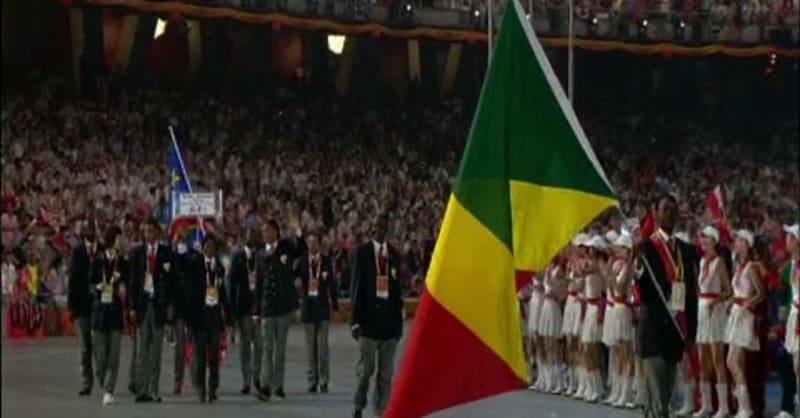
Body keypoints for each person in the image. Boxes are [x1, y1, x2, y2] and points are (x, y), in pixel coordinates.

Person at [636, 194, 699, 418]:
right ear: (656, 212)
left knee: (666, 396)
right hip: (653, 330)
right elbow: (642, 290)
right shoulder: (646, 247)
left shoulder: (685, 249)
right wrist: (636, 263)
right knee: (657, 401)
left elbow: (691, 294)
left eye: (674, 210)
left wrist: (691, 331)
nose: (670, 214)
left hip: (675, 332)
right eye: (666, 209)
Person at [350, 215, 404, 418]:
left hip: (389, 323)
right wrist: (355, 321)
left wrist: (399, 323)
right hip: (367, 323)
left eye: (382, 228)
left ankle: (382, 410)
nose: (378, 231)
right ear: (371, 230)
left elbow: (397, 290)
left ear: (387, 230)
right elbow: (356, 287)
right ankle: (358, 403)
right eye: (375, 227)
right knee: (366, 369)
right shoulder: (361, 253)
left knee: (386, 373)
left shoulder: (394, 256)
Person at [256, 218, 304, 402]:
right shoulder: (261, 254)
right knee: (267, 349)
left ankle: (279, 385)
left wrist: (297, 232)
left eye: (268, 230)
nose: (265, 234)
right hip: (267, 306)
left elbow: (301, 250)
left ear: (276, 231)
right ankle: (265, 385)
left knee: (280, 349)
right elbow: (259, 282)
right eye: (263, 232)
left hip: (283, 305)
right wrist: (256, 310)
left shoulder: (285, 247)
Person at [128, 220, 173, 403]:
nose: (150, 234)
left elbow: (172, 282)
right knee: (141, 351)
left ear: (158, 233)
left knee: (155, 352)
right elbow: (132, 282)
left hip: (158, 307)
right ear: (144, 234)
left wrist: (170, 305)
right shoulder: (137, 253)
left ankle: (154, 389)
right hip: (142, 306)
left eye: (153, 231)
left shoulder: (166, 253)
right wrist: (131, 307)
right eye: (147, 231)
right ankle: (142, 389)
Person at [183, 234, 230, 403]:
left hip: (215, 316)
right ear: (202, 248)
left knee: (214, 357)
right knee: (200, 356)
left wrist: (228, 316)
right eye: (207, 246)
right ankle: (201, 388)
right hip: (199, 317)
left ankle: (213, 388)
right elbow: (185, 268)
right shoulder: (195, 264)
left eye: (212, 247)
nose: (209, 250)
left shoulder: (219, 267)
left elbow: (223, 291)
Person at [725, 229, 766, 418]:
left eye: (740, 240)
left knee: (733, 361)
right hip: (736, 314)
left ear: (747, 245)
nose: (736, 242)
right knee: (736, 362)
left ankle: (745, 406)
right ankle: (743, 404)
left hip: (744, 315)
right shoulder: (739, 266)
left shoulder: (751, 267)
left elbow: (761, 293)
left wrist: (748, 303)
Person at [693, 225, 732, 418]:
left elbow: (728, 291)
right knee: (703, 360)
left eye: (705, 237)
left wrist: (715, 300)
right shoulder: (702, 262)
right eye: (701, 238)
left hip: (715, 312)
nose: (701, 240)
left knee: (718, 360)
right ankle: (706, 404)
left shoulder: (719, 263)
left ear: (713, 240)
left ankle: (723, 406)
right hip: (702, 310)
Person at [90, 225, 129, 406]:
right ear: (113, 240)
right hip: (100, 312)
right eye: (120, 238)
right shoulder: (97, 262)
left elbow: (128, 282)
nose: (122, 242)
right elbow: (90, 284)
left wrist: (123, 288)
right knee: (100, 356)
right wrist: (98, 287)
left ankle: (109, 389)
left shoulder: (123, 263)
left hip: (115, 312)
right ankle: (102, 378)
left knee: (114, 355)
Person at [296, 231, 339, 394]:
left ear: (319, 244)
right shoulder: (301, 262)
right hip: (308, 308)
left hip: (322, 309)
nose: (312, 245)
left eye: (314, 242)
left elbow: (332, 285)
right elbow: (292, 278)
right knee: (310, 347)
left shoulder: (326, 261)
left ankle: (324, 380)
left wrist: (335, 305)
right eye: (309, 242)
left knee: (323, 347)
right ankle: (312, 379)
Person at [229, 228, 263, 395]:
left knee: (260, 345)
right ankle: (246, 380)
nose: (253, 239)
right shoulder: (237, 258)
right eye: (250, 236)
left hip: (259, 308)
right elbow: (232, 284)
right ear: (244, 238)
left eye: (255, 236)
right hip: (244, 308)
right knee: (245, 345)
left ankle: (257, 376)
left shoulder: (262, 257)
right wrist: (233, 311)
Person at [606, 232, 636, 408]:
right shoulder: (618, 265)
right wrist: (610, 272)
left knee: (626, 353)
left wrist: (611, 274)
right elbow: (610, 287)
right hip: (616, 308)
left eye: (620, 248)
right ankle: (617, 391)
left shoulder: (628, 267)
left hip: (624, 308)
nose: (616, 250)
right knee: (618, 352)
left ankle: (626, 393)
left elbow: (621, 288)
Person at [67, 225, 97, 396]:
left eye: (93, 231)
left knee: (99, 346)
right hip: (81, 305)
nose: (91, 234)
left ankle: (102, 375)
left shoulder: (102, 249)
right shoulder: (78, 252)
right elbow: (72, 280)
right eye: (88, 231)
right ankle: (87, 382)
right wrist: (71, 307)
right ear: (84, 234)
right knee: (85, 347)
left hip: (99, 305)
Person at [776, 223, 799, 418]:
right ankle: (790, 406)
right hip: (792, 319)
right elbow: (782, 295)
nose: (786, 240)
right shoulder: (788, 267)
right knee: (791, 362)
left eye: (790, 237)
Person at [537, 255, 567, 394]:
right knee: (547, 344)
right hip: (545, 306)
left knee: (554, 345)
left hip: (553, 306)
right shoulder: (547, 269)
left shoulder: (558, 271)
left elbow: (562, 290)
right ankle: (549, 381)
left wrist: (553, 291)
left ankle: (560, 382)